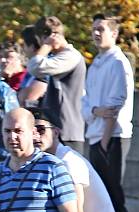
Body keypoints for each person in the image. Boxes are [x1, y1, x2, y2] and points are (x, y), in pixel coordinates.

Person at [81, 13, 139, 212]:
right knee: (103, 198)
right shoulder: (95, 63)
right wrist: (95, 112)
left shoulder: (118, 62)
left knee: (115, 197)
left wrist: (105, 139)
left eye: (101, 29)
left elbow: (116, 104)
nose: (96, 33)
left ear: (114, 33)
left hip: (112, 138)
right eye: (94, 29)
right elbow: (86, 106)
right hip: (95, 136)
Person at [28, 16, 86, 155]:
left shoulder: (70, 57)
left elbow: (34, 67)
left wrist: (46, 46)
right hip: (58, 129)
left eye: (41, 40)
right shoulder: (59, 57)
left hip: (68, 132)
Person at [17, 26, 49, 107]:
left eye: (24, 45)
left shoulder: (43, 69)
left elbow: (27, 100)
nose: (23, 49)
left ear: (31, 47)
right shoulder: (33, 68)